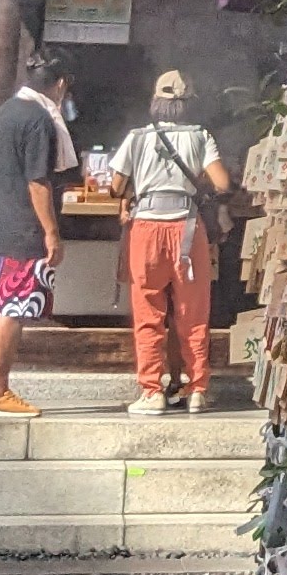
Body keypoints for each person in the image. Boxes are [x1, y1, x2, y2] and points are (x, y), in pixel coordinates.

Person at [111, 70, 232, 415]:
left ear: (156, 101)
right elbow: (222, 182)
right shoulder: (200, 136)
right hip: (188, 229)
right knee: (193, 314)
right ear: (187, 103)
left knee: (149, 313)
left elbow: (116, 187)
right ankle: (196, 389)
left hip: (146, 228)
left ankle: (152, 392)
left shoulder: (136, 138)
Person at [0, 53, 76, 418]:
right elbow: (37, 182)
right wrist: (51, 233)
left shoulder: (6, 111)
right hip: (23, 229)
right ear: (59, 84)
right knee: (13, 312)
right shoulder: (38, 119)